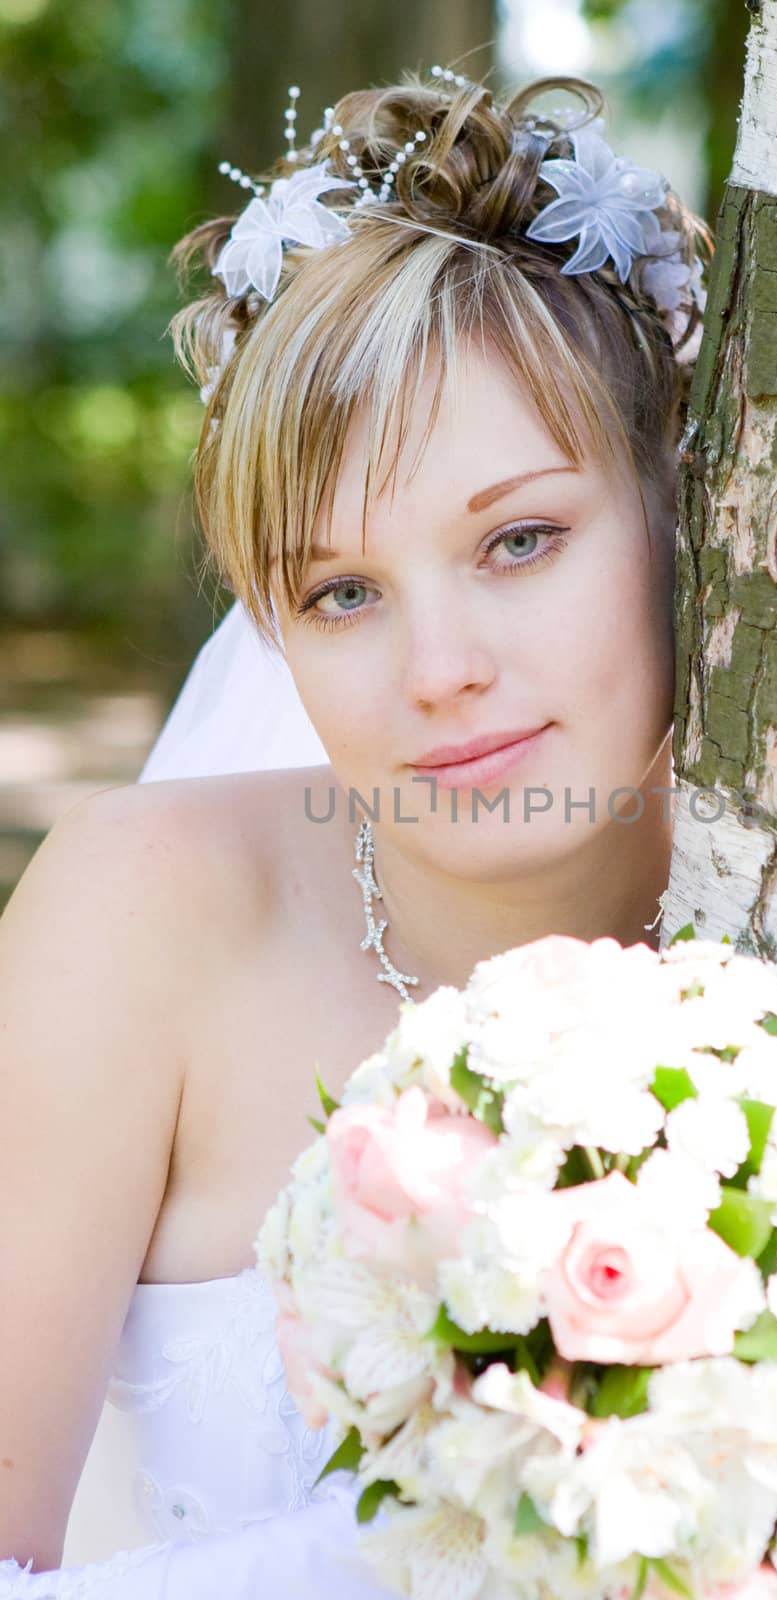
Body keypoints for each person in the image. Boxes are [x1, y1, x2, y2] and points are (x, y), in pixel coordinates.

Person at [0, 68, 703, 1595]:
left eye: (518, 541)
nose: (436, 670)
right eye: (340, 594)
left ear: (679, 509)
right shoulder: (145, 917)